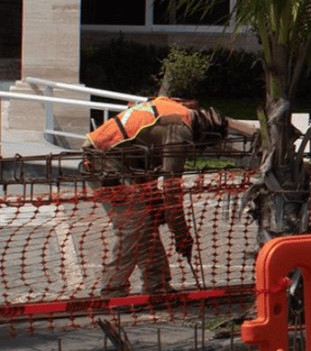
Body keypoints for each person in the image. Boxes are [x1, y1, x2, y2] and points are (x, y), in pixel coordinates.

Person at [83, 96, 232, 297]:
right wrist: (182, 235)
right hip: (104, 162)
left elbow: (142, 149)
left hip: (124, 163)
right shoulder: (180, 130)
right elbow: (172, 192)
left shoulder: (178, 111)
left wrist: (156, 204)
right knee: (133, 224)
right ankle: (112, 289)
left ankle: (157, 286)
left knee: (148, 221)